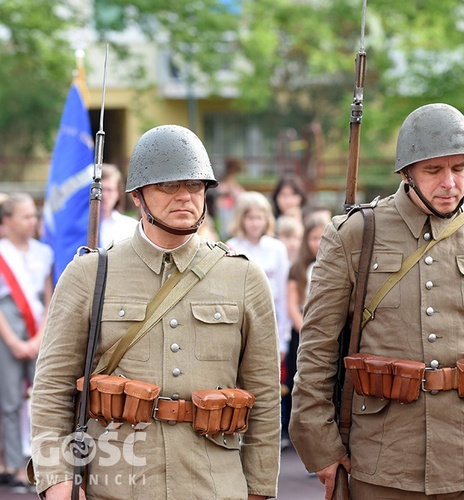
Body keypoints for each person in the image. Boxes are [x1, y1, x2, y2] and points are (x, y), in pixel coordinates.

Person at [290, 103, 464, 499]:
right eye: (433, 170)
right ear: (407, 173)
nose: (450, 183)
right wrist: (321, 448)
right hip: (383, 462)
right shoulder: (353, 235)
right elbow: (316, 355)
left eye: (460, 168)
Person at [30, 125, 280, 499]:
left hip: (213, 485)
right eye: (168, 186)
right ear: (137, 196)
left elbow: (264, 395)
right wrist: (59, 481)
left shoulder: (243, 276)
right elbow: (52, 388)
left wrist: (260, 489)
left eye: (194, 186)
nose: (184, 197)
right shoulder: (90, 273)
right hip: (115, 484)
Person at [0, 193, 54, 493]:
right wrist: (13, 341)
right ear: (7, 221)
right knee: (8, 401)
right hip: (7, 330)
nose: (33, 221)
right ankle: (17, 468)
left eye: (34, 215)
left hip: (38, 330)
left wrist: (38, 338)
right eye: (25, 216)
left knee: (43, 399)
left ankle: (41, 466)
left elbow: (48, 298)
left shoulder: (43, 252)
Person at [282, 212, 330, 451]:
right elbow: (291, 304)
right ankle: (294, 431)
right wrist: (306, 331)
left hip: (328, 332)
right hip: (302, 334)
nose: (318, 243)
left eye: (323, 237)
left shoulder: (334, 265)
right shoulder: (297, 268)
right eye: (313, 238)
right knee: (296, 382)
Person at [226, 191, 291, 361]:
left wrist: (283, 339)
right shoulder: (232, 247)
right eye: (250, 218)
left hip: (271, 319)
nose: (255, 223)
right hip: (243, 320)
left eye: (260, 218)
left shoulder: (277, 248)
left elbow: (283, 294)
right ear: (241, 219)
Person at [99, 164, 139, 248]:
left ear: (118, 193)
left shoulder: (130, 227)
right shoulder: (76, 225)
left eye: (109, 190)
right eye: (100, 190)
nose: (104, 195)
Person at [212, 157, 246, 239]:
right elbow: (220, 190)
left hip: (231, 204)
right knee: (224, 224)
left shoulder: (232, 179)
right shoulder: (223, 178)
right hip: (224, 205)